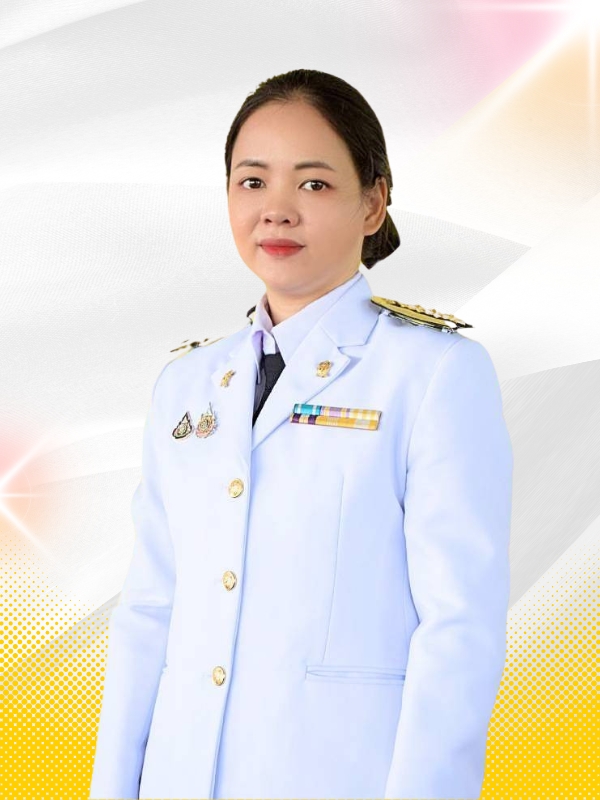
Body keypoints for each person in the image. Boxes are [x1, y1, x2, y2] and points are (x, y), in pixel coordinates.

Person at [89, 68, 513, 800]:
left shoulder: (433, 374)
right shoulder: (187, 387)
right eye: (252, 182)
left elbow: (459, 629)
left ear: (373, 202)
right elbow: (149, 615)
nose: (276, 211)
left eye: (313, 184)